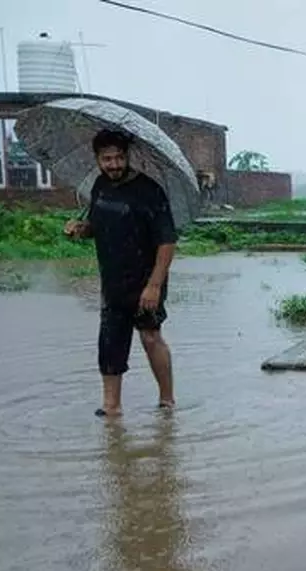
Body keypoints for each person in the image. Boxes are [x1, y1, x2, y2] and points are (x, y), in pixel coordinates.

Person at [64, 129, 178, 417]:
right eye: (107, 159)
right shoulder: (100, 186)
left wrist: (154, 286)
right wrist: (81, 230)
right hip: (112, 280)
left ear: (128, 157)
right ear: (98, 160)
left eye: (118, 158)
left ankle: (167, 400)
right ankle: (111, 407)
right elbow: (96, 225)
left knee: (151, 337)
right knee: (110, 341)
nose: (113, 165)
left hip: (145, 279)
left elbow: (167, 243)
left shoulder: (150, 191)